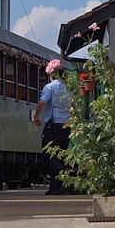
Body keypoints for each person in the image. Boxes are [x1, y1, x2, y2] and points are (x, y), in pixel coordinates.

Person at [33, 59, 73, 194]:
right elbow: (74, 107)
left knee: (49, 154)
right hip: (66, 126)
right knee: (60, 154)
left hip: (53, 125)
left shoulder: (49, 87)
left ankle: (62, 177)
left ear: (51, 76)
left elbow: (42, 102)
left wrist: (36, 116)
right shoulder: (68, 89)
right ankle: (55, 188)